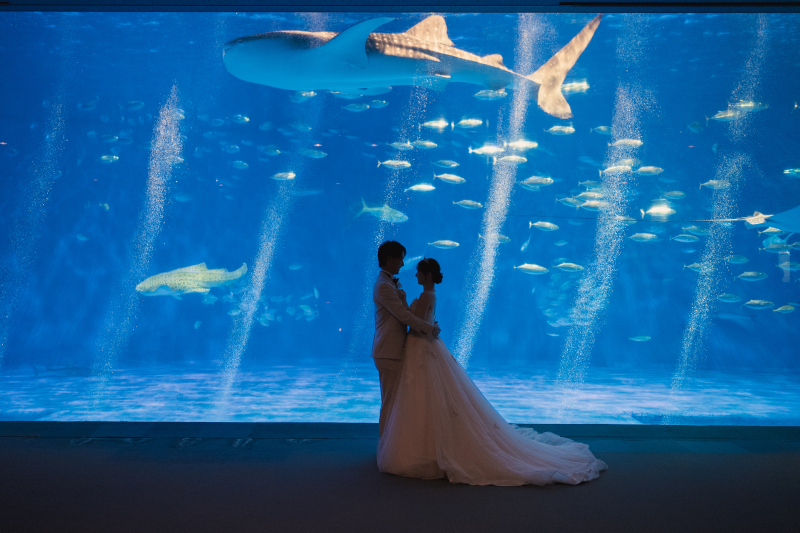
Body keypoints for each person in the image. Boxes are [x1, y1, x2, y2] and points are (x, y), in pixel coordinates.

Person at [377, 257, 608, 486]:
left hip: (421, 346)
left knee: (422, 396)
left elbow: (414, 321)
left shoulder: (427, 295)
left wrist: (408, 306)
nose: (415, 274)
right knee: (426, 396)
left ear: (427, 275)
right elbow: (422, 320)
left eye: (418, 272)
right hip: (422, 347)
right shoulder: (429, 294)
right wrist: (425, 320)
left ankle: (423, 450)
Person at [372, 241, 440, 438]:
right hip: (388, 350)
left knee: (394, 400)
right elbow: (404, 315)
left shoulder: (389, 282)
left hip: (394, 349)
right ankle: (385, 445)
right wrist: (430, 328)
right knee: (390, 400)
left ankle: (389, 443)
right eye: (400, 259)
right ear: (389, 259)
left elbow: (405, 312)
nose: (403, 263)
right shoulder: (384, 286)